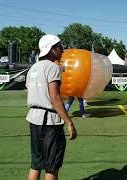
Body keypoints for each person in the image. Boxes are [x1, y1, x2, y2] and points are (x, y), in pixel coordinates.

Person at [25, 34, 77, 180]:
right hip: (50, 122)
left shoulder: (33, 68)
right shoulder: (53, 67)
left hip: (34, 119)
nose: (62, 50)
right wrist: (69, 122)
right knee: (52, 167)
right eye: (60, 46)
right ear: (52, 50)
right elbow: (55, 97)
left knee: (35, 164)